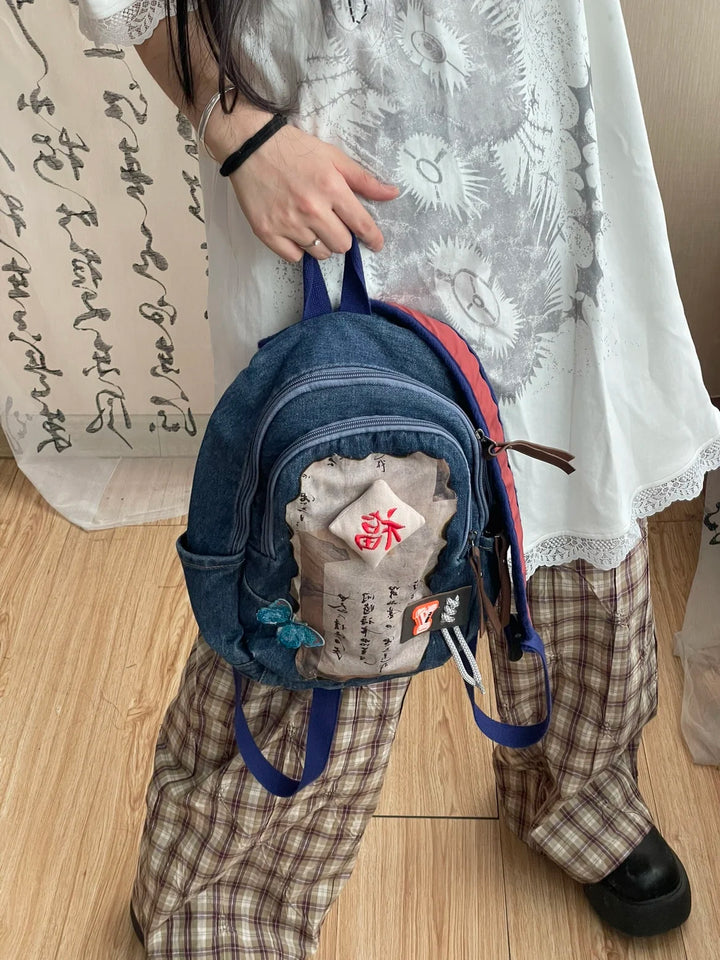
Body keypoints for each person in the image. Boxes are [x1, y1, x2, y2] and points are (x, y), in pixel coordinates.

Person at [76, 1, 720, 956]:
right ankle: (231, 899)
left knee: (568, 475)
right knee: (331, 531)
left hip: (540, 130)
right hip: (332, 147)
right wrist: (234, 126)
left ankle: (580, 789)